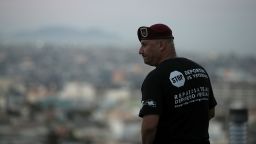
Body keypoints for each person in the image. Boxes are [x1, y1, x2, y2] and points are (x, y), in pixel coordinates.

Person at [137, 23, 217, 144]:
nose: (140, 51)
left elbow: (149, 127)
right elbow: (210, 112)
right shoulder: (199, 70)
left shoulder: (155, 78)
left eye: (144, 45)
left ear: (161, 45)